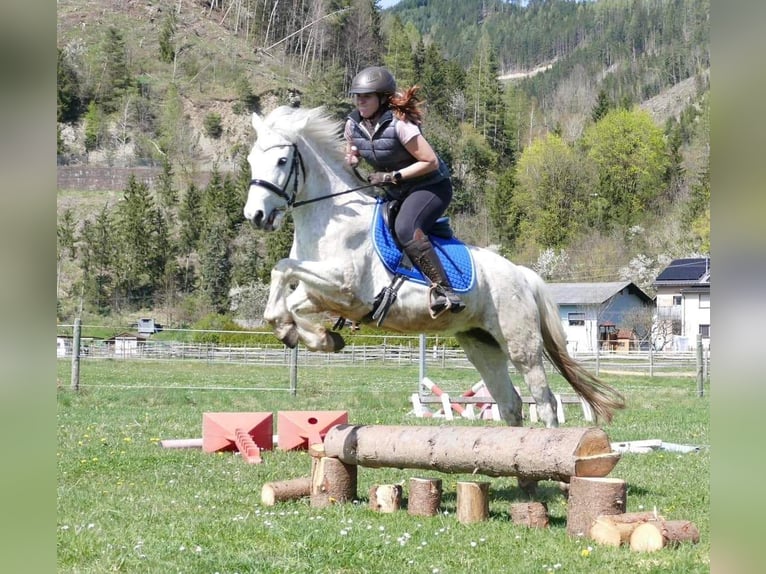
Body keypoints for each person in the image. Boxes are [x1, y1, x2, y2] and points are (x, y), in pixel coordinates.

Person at [344, 66, 465, 316]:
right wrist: (352, 158)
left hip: (431, 187)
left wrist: (392, 176)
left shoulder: (401, 124)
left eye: (366, 96)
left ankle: (445, 290)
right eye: (358, 96)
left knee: (405, 228)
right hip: (396, 192)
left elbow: (430, 161)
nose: (360, 101)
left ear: (382, 98)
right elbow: (352, 149)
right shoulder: (352, 125)